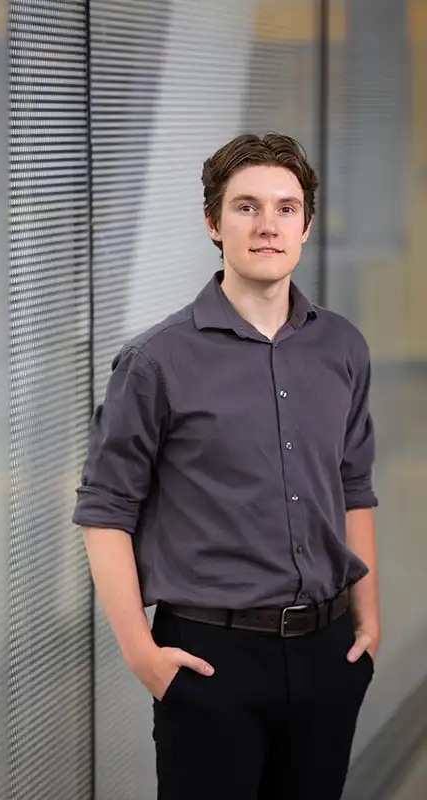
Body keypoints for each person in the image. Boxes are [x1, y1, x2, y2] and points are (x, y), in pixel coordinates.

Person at [72, 132, 380, 799]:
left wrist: (369, 620)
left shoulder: (343, 349)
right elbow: (104, 511)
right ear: (213, 222)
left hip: (328, 653)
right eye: (246, 207)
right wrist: (143, 657)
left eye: (286, 207)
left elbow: (354, 486)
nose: (267, 224)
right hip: (212, 661)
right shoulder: (155, 363)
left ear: (306, 223)